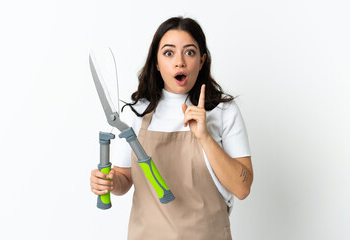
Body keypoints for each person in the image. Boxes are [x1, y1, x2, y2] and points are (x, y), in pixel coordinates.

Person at [90, 16, 253, 239]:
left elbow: (242, 188)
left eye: (190, 52)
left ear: (202, 60)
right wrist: (109, 182)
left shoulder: (223, 111)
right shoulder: (136, 112)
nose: (179, 62)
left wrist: (205, 137)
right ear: (156, 62)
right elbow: (124, 180)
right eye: (168, 53)